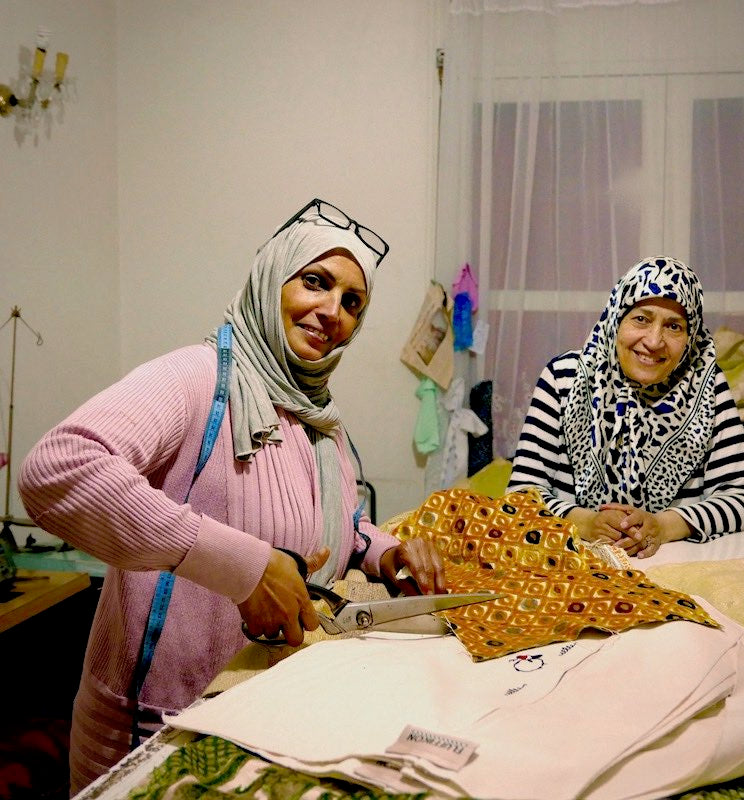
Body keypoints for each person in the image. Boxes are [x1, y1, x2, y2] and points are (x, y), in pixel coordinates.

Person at [17, 198, 446, 793]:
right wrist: (245, 568)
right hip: (155, 731)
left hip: (258, 714)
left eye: (352, 303)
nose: (331, 312)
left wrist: (385, 551)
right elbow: (58, 469)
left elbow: (338, 523)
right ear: (271, 279)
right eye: (316, 282)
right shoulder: (197, 379)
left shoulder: (320, 418)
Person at [508, 256, 744, 559]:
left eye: (674, 326)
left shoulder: (707, 387)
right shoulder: (564, 378)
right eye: (641, 319)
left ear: (690, 336)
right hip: (574, 568)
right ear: (616, 318)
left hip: (677, 570)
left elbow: (742, 496)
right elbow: (520, 496)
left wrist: (664, 527)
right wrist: (587, 523)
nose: (654, 341)